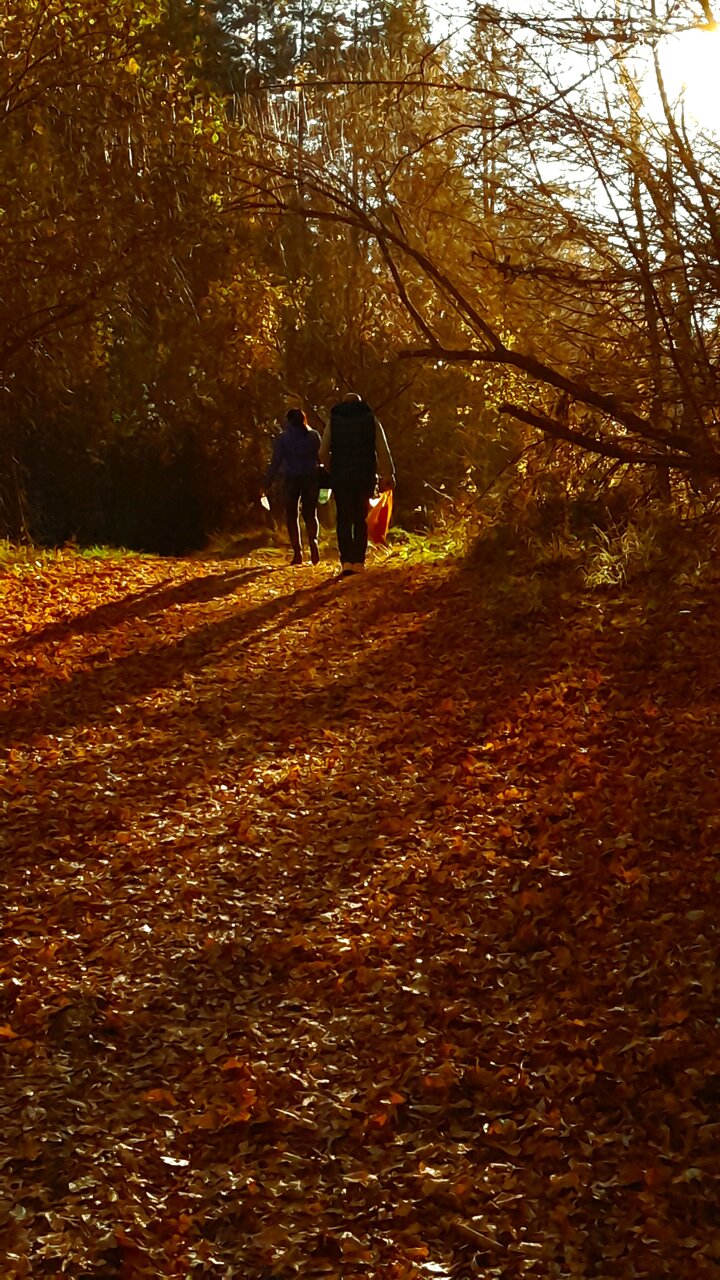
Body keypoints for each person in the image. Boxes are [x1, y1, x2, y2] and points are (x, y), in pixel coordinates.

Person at [319, 393, 395, 577]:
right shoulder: (371, 420)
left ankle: (346, 561)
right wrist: (388, 473)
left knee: (344, 518)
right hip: (364, 474)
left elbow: (322, 451)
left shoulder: (334, 421)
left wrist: (330, 467)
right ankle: (359, 561)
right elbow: (382, 448)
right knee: (361, 517)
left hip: (341, 476)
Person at [264, 408, 322, 565]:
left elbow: (276, 462)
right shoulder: (314, 436)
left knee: (292, 515)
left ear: (288, 421)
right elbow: (321, 457)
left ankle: (297, 552)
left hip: (291, 478)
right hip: (311, 477)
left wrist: (267, 482)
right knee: (310, 513)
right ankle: (313, 541)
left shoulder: (283, 438)